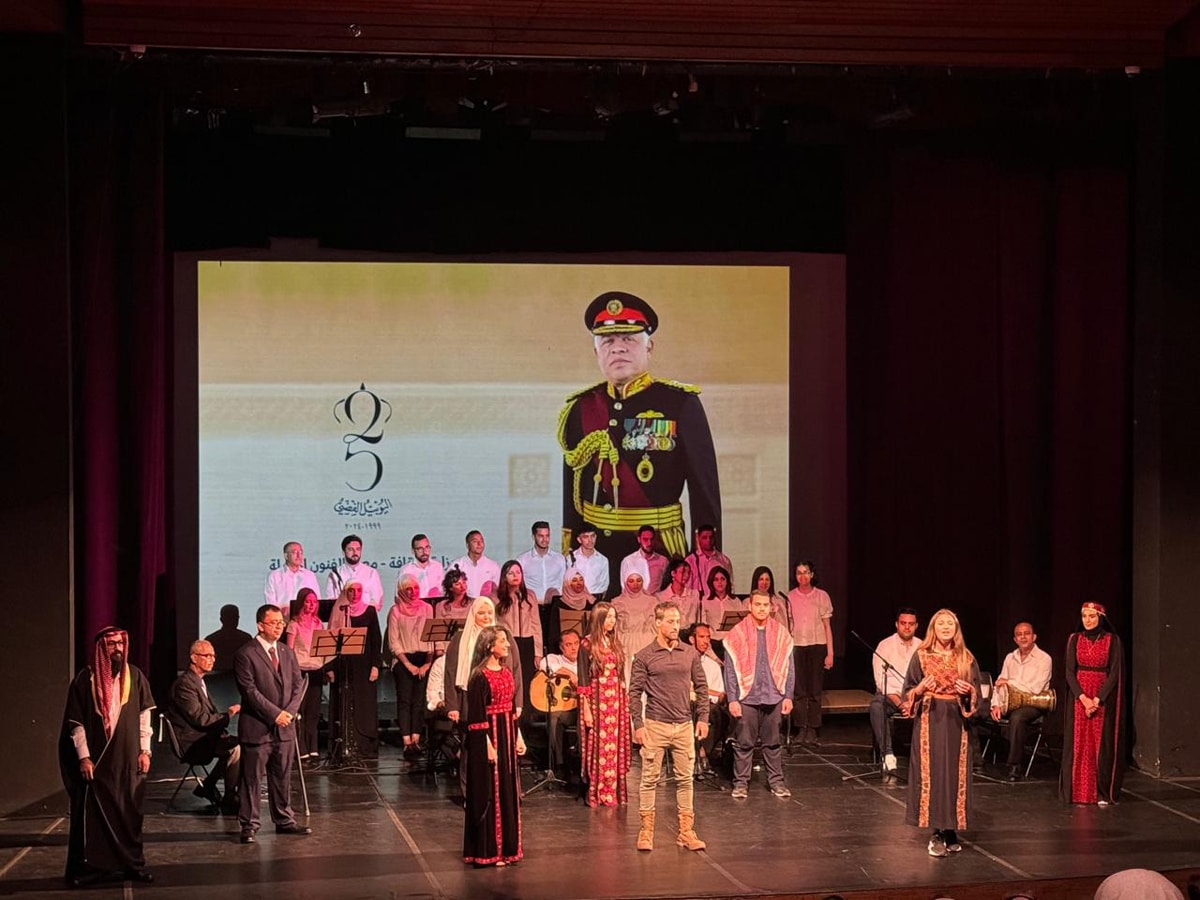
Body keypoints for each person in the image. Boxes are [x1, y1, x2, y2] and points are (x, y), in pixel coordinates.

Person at [559, 291, 721, 593]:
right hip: (596, 555)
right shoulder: (580, 408)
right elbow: (573, 496)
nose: (618, 347)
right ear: (596, 351)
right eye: (608, 340)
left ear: (649, 345)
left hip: (658, 549)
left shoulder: (679, 404)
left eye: (629, 339)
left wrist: (706, 564)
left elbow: (704, 495)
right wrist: (571, 555)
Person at [59, 627, 155, 886]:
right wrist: (84, 757)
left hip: (128, 760)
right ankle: (93, 869)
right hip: (98, 762)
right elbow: (76, 724)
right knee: (95, 818)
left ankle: (132, 865)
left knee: (129, 814)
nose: (117, 649)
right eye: (112, 645)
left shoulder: (134, 676)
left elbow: (144, 716)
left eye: (121, 644)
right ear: (101, 648)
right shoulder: (85, 679)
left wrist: (145, 751)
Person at [629, 601, 709, 852]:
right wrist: (638, 724)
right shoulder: (644, 656)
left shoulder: (689, 653)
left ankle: (686, 832)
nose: (676, 626)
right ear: (658, 623)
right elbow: (634, 693)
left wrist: (703, 718)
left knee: (685, 780)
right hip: (656, 725)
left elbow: (702, 687)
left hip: (684, 725)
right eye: (671, 622)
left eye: (678, 621)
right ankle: (646, 831)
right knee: (649, 780)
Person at [900, 608, 980, 858]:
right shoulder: (921, 655)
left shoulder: (966, 657)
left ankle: (951, 828)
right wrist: (920, 689)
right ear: (933, 628)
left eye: (950, 624)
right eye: (941, 623)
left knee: (954, 774)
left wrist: (968, 692)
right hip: (930, 719)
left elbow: (978, 693)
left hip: (956, 721)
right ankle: (936, 831)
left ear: (956, 629)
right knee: (933, 773)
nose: (946, 627)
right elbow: (908, 691)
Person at [234, 604, 311, 843]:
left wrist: (288, 713)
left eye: (281, 623)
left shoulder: (287, 652)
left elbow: (298, 685)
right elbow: (249, 691)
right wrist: (275, 714)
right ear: (260, 625)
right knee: (252, 779)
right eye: (274, 622)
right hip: (257, 728)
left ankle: (284, 820)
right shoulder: (246, 654)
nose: (279, 627)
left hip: (285, 727)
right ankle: (249, 824)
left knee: (282, 776)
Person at [462, 625, 526, 867]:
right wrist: (487, 744)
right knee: (491, 791)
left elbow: (511, 710)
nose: (507, 645)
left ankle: (508, 849)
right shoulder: (479, 677)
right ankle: (490, 851)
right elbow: (477, 716)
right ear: (490, 646)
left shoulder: (507, 672)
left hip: (507, 735)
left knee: (507, 790)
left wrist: (519, 737)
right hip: (489, 737)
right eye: (502, 641)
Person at [723, 593, 794, 799]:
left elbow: (789, 667)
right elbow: (730, 670)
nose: (762, 608)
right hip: (747, 697)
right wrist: (733, 699)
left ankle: (777, 782)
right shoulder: (737, 633)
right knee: (744, 742)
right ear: (750, 606)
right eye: (758, 605)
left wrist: (788, 695)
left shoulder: (781, 633)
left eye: (765, 605)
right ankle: (741, 783)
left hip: (774, 695)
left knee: (773, 742)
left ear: (771, 607)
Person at [1060, 602, 1126, 806]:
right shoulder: (1074, 639)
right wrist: (1083, 698)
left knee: (1100, 743)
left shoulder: (1112, 640)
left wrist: (1097, 700)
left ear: (1100, 618)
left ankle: (1101, 792)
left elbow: (1114, 672)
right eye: (1084, 616)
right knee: (1079, 741)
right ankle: (1078, 792)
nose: (1087, 620)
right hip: (1079, 696)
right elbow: (1069, 671)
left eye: (1091, 616)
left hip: (1102, 695)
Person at [166, 639, 242, 812]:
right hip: (192, 742)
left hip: (204, 738)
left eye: (213, 656)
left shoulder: (198, 682)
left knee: (244, 744)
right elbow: (200, 719)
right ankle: (229, 797)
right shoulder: (185, 685)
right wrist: (228, 715)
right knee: (236, 748)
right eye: (207, 655)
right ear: (194, 658)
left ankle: (209, 785)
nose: (212, 660)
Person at [577, 602, 631, 807]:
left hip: (616, 701)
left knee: (615, 746)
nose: (612, 621)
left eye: (614, 617)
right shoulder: (586, 644)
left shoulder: (614, 642)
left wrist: (624, 701)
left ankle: (612, 791)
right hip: (597, 700)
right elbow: (583, 680)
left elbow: (621, 675)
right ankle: (597, 790)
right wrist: (586, 709)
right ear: (599, 619)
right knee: (598, 746)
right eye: (608, 617)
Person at [990, 621, 1053, 781]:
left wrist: (1010, 682)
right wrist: (995, 704)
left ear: (1034, 637)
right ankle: (977, 761)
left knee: (1017, 717)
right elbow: (999, 684)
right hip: (1010, 702)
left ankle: (1014, 765)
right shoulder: (1010, 658)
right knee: (977, 710)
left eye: (1027, 633)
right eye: (1019, 634)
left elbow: (1035, 688)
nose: (1023, 637)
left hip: (1033, 703)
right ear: (1015, 639)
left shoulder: (1044, 658)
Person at [328, 581, 383, 758]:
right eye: (351, 590)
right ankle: (343, 744)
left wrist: (375, 666)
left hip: (364, 666)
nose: (355, 593)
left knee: (364, 704)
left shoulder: (370, 611)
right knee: (344, 702)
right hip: (343, 666)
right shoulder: (339, 610)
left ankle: (363, 745)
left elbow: (376, 640)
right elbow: (330, 640)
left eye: (359, 590)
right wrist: (330, 668)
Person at [783, 560, 834, 747]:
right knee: (799, 690)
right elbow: (787, 626)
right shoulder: (789, 597)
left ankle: (812, 728)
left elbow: (827, 627)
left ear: (812, 574)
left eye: (806, 572)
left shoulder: (822, 596)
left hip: (817, 646)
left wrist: (830, 653)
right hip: (797, 646)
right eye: (799, 573)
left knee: (814, 690)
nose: (802, 576)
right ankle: (800, 728)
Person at [388, 574, 434, 757]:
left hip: (424, 659)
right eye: (408, 589)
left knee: (419, 701)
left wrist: (427, 664)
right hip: (403, 660)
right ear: (401, 591)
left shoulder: (427, 608)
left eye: (415, 588)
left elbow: (432, 639)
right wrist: (409, 665)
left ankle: (416, 739)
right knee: (405, 701)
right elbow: (394, 642)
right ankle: (406, 741)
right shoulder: (395, 611)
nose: (412, 592)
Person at [870, 608, 920, 777]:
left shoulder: (923, 647)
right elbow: (881, 683)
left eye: (911, 624)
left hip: (916, 697)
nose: (907, 627)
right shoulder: (884, 646)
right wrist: (901, 704)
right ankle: (888, 755)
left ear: (916, 626)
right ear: (897, 624)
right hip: (891, 696)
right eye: (903, 623)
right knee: (877, 706)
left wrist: (913, 701)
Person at [285, 588, 328, 760]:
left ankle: (313, 747)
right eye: (308, 601)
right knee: (300, 711)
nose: (311, 605)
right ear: (301, 602)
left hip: (316, 669)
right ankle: (301, 748)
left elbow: (324, 648)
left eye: (314, 602)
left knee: (314, 711)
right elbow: (289, 651)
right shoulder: (293, 624)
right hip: (300, 670)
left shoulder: (318, 623)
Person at [494, 560, 544, 706]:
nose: (515, 576)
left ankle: (525, 715)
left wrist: (538, 653)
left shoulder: (529, 595)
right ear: (504, 577)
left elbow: (536, 625)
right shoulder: (496, 597)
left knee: (526, 681)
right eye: (511, 573)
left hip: (527, 642)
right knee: (509, 679)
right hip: (508, 644)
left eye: (518, 572)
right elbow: (494, 625)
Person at [687, 622, 729, 775]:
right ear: (692, 639)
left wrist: (720, 696)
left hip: (708, 704)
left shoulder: (713, 665)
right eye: (702, 637)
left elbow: (719, 693)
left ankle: (703, 751)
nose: (706, 641)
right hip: (686, 704)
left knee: (720, 714)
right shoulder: (683, 661)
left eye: (708, 637)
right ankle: (697, 754)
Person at [611, 556, 659, 686]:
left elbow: (657, 627)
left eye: (639, 580)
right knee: (628, 678)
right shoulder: (617, 602)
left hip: (647, 643)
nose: (635, 584)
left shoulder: (652, 601)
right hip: (625, 645)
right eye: (631, 581)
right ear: (625, 581)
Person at [541, 630, 582, 779]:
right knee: (554, 717)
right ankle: (560, 765)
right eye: (569, 644)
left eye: (576, 643)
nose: (574, 648)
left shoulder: (586, 661)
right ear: (561, 647)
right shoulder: (554, 659)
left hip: (583, 709)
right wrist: (570, 674)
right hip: (566, 711)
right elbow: (545, 665)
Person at [325, 534, 385, 611]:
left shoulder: (371, 573)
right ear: (343, 552)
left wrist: (359, 610)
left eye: (358, 549)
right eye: (350, 549)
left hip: (366, 616)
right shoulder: (335, 575)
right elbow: (330, 601)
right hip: (342, 615)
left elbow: (377, 601)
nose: (355, 552)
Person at [619, 525, 670, 607]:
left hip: (655, 605)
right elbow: (624, 588)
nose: (649, 543)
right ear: (639, 539)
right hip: (635, 605)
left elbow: (667, 586)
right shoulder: (628, 561)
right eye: (645, 539)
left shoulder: (663, 561)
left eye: (651, 539)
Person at [264, 541, 320, 612]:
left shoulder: (310, 575)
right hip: (282, 617)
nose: (299, 556)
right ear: (286, 556)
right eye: (295, 552)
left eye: (301, 552)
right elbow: (270, 604)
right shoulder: (274, 576)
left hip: (305, 616)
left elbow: (317, 599)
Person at [697, 565, 743, 642]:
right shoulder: (705, 600)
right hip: (712, 640)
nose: (720, 582)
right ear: (712, 582)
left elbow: (742, 623)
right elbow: (702, 624)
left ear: (727, 581)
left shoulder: (735, 601)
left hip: (731, 641)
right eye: (716, 579)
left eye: (722, 579)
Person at [451, 530, 501, 599]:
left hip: (485, 604)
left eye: (481, 541)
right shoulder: (457, 565)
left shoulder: (493, 566)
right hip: (463, 604)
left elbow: (498, 591)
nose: (479, 544)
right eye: (475, 541)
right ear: (467, 545)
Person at [686, 524, 733, 598]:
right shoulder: (690, 561)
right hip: (697, 601)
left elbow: (730, 584)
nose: (708, 540)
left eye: (711, 537)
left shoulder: (724, 560)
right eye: (704, 537)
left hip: (719, 602)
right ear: (698, 539)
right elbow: (687, 587)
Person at [205, 604, 253, 674]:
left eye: (234, 618)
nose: (233, 620)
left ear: (221, 619)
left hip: (216, 678)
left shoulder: (211, 639)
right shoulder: (246, 638)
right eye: (231, 618)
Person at [566, 524, 609, 598]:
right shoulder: (571, 558)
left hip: (595, 598)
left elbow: (604, 586)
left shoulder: (603, 560)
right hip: (576, 599)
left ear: (596, 537)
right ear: (579, 540)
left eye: (592, 536)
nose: (590, 540)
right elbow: (567, 583)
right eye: (586, 537)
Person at [398, 533, 445, 600]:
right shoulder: (406, 571)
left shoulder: (438, 566)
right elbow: (399, 597)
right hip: (415, 605)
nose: (424, 552)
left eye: (427, 547)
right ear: (413, 551)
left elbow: (444, 590)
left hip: (436, 604)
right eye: (420, 549)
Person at [657, 558, 701, 627]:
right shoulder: (661, 597)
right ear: (673, 573)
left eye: (688, 573)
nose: (686, 575)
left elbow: (698, 619)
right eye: (683, 572)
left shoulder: (694, 594)